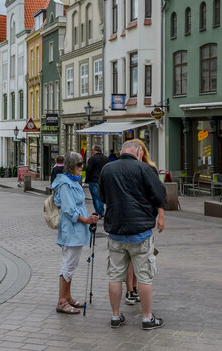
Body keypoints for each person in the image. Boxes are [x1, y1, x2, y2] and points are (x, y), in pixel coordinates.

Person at [99, 139, 167, 330]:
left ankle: (115, 316)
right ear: (138, 153)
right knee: (144, 276)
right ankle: (146, 318)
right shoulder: (143, 169)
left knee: (115, 276)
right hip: (140, 232)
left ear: (122, 152)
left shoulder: (107, 169)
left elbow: (102, 196)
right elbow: (159, 195)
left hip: (116, 231)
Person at [52, 151, 99, 315]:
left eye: (82, 163)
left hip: (77, 229)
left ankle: (68, 297)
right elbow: (69, 209)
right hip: (71, 230)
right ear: (72, 166)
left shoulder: (74, 181)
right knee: (68, 264)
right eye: (79, 164)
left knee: (71, 263)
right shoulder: (65, 184)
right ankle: (62, 301)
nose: (82, 167)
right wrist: (86, 220)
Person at [85, 146, 109, 219]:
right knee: (101, 196)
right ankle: (101, 211)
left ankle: (99, 212)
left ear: (95, 151)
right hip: (103, 180)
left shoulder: (92, 159)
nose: (92, 152)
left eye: (92, 150)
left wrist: (87, 179)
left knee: (95, 197)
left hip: (94, 180)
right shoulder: (106, 158)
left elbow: (89, 170)